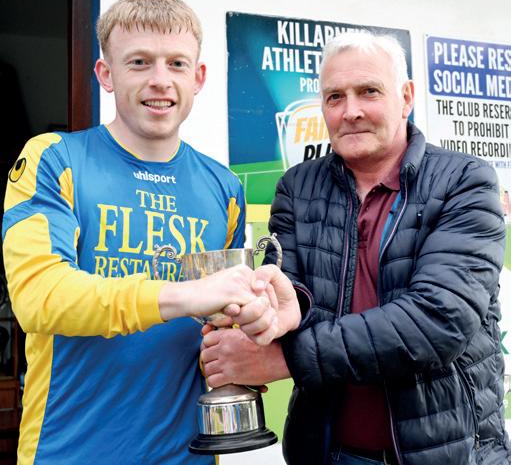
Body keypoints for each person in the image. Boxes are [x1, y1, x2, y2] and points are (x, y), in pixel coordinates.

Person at [201, 31, 511, 465]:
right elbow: (291, 293)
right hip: (327, 452)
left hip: (447, 453)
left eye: (369, 91)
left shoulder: (464, 181)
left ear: (406, 97)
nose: (350, 111)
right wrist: (265, 313)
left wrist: (288, 359)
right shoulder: (297, 187)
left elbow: (438, 321)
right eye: (334, 97)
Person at [2, 0, 279, 465]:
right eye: (139, 62)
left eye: (176, 63)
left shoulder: (224, 187)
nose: (160, 80)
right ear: (105, 74)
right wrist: (185, 296)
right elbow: (39, 297)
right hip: (69, 452)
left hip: (187, 454)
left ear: (198, 77)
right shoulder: (54, 159)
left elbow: (221, 324)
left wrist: (251, 327)